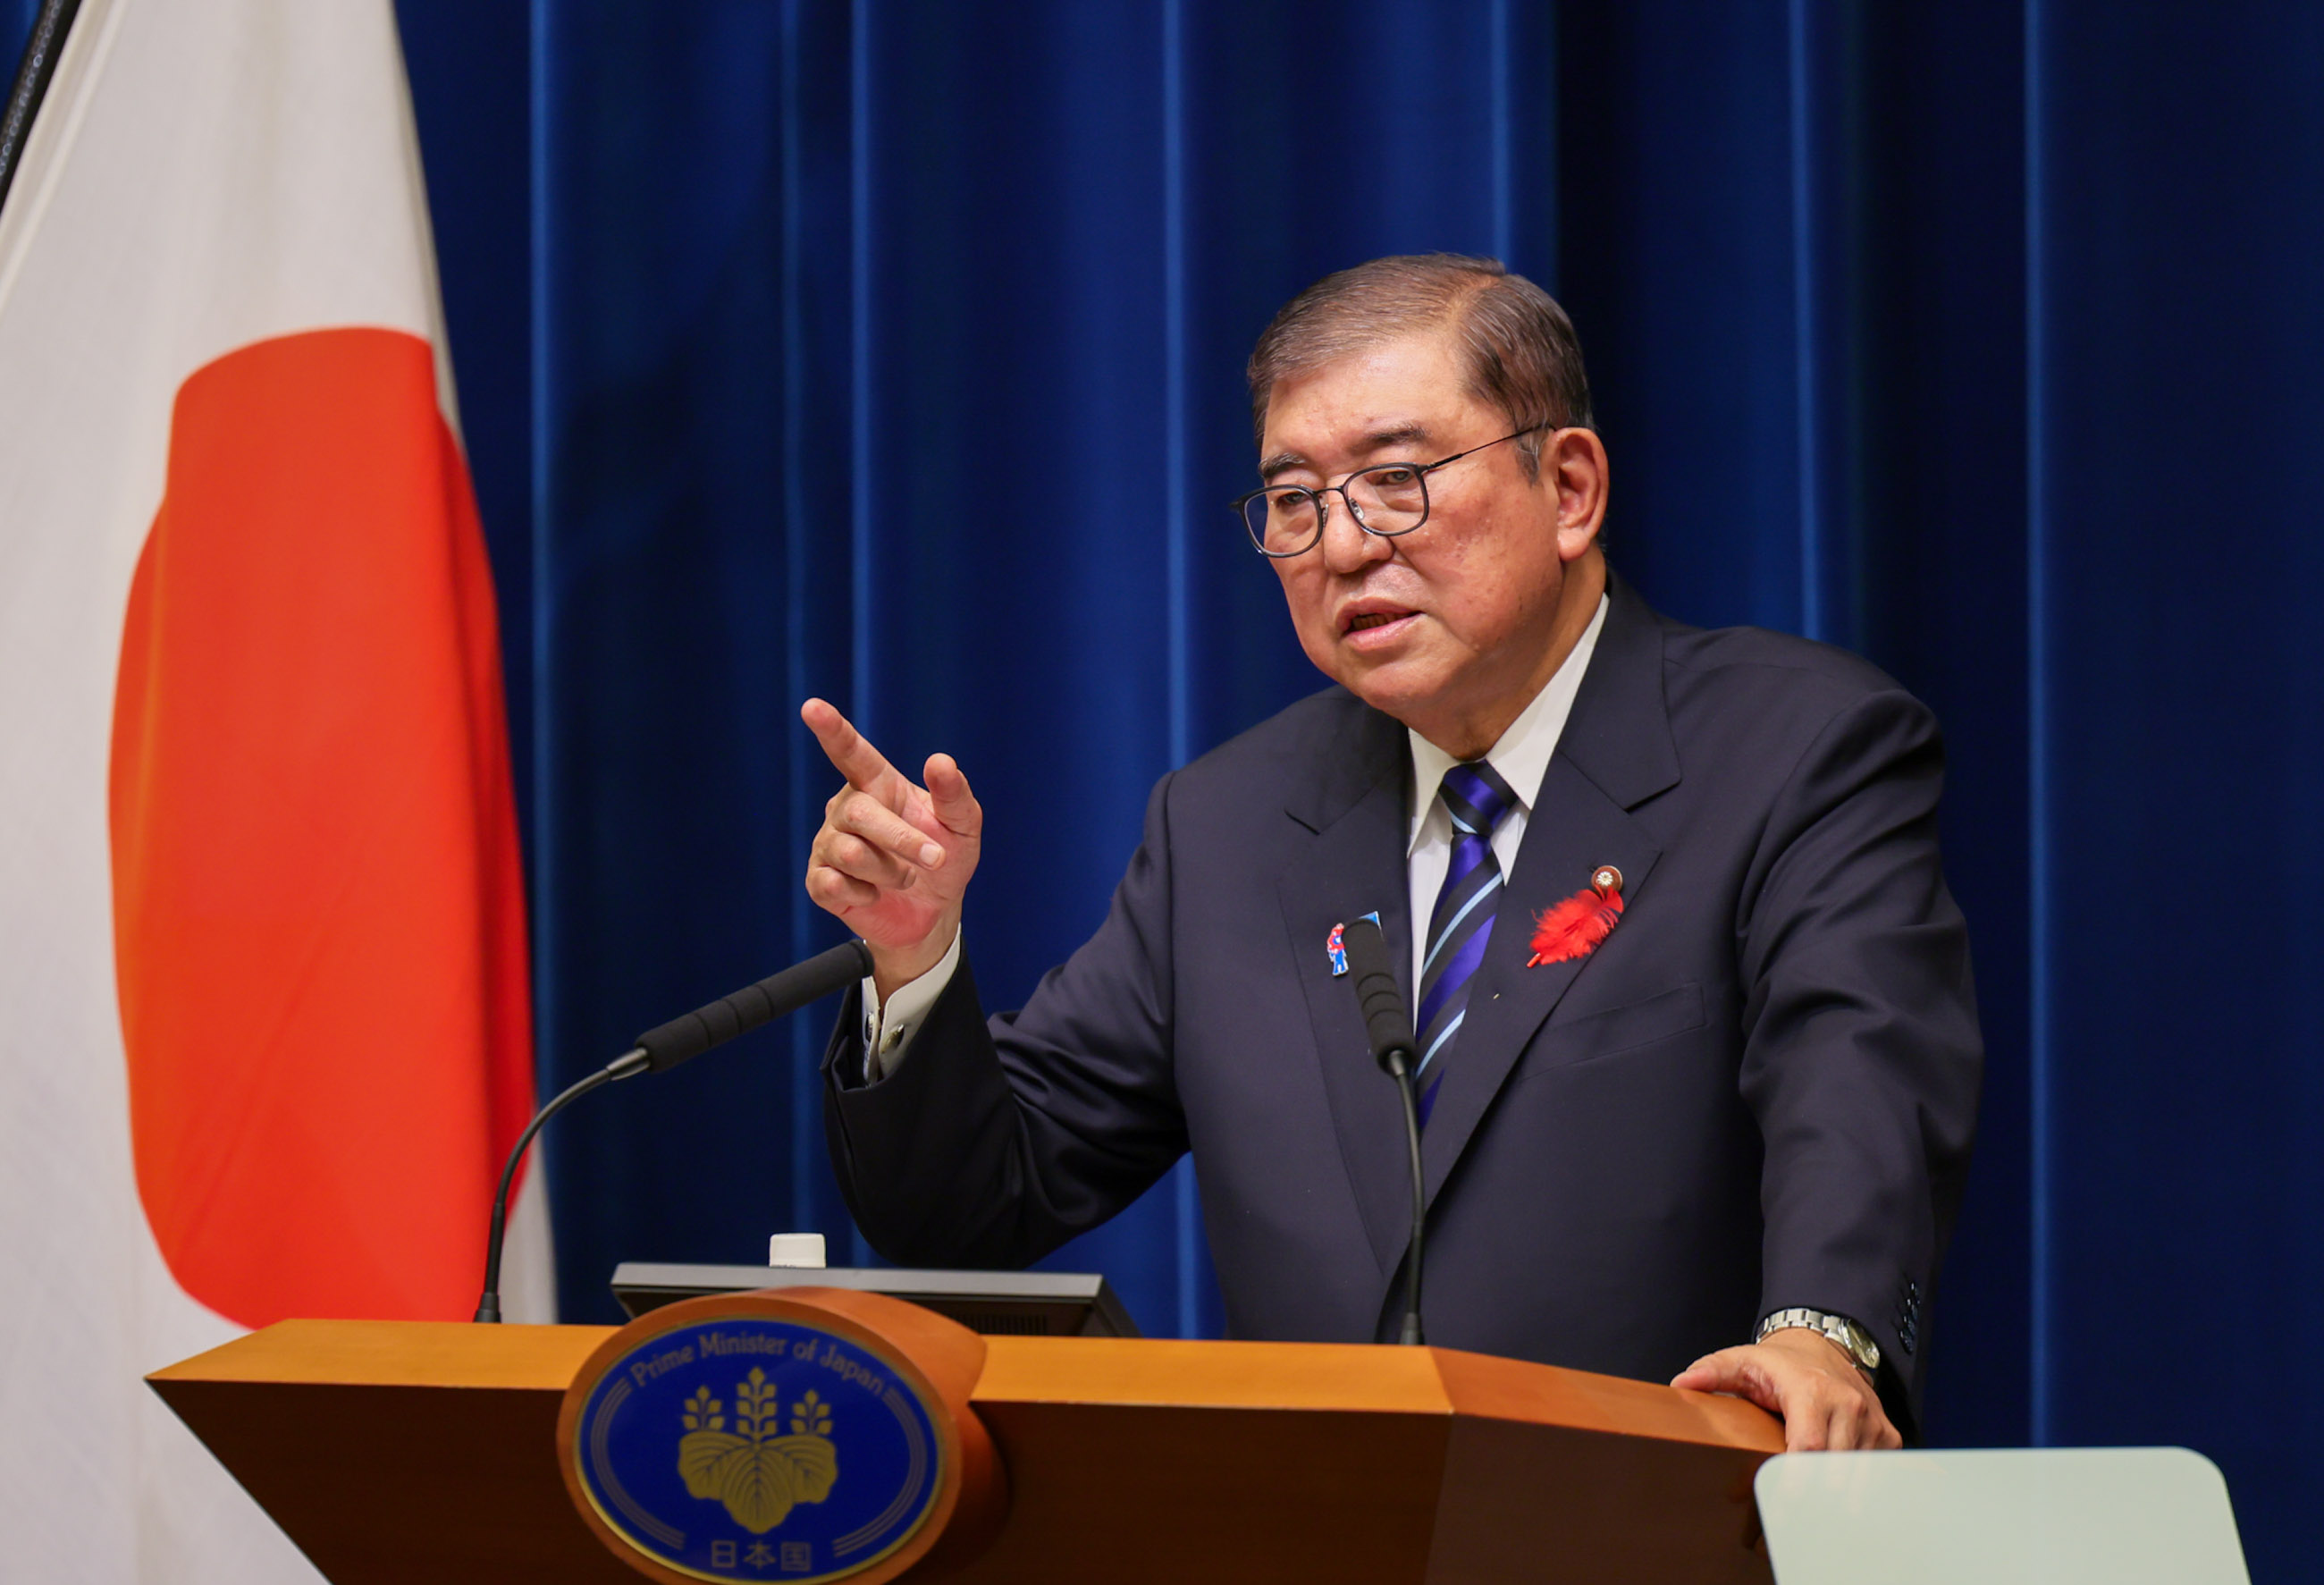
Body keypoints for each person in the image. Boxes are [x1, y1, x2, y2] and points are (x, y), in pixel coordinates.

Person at [800, 254, 1981, 1452]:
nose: (1343, 545)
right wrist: (915, 961)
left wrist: (1816, 1334)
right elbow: (973, 1201)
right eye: (1296, 501)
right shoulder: (1227, 827)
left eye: (1397, 480)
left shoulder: (1793, 749)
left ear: (1570, 487)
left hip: (1667, 1521)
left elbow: (1859, 1075)